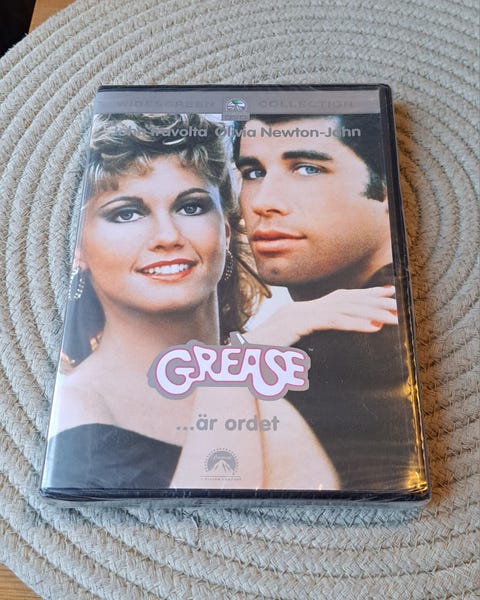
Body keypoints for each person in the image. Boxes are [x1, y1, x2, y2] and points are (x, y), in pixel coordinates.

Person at [43, 113, 398, 495]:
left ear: (226, 230)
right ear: (79, 249)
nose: (168, 236)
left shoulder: (321, 361)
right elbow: (201, 512)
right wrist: (242, 358)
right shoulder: (78, 410)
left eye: (191, 207)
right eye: (126, 213)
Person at [234, 114, 417, 491]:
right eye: (253, 172)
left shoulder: (352, 346)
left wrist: (242, 356)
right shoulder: (310, 334)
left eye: (307, 169)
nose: (263, 202)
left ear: (387, 190)